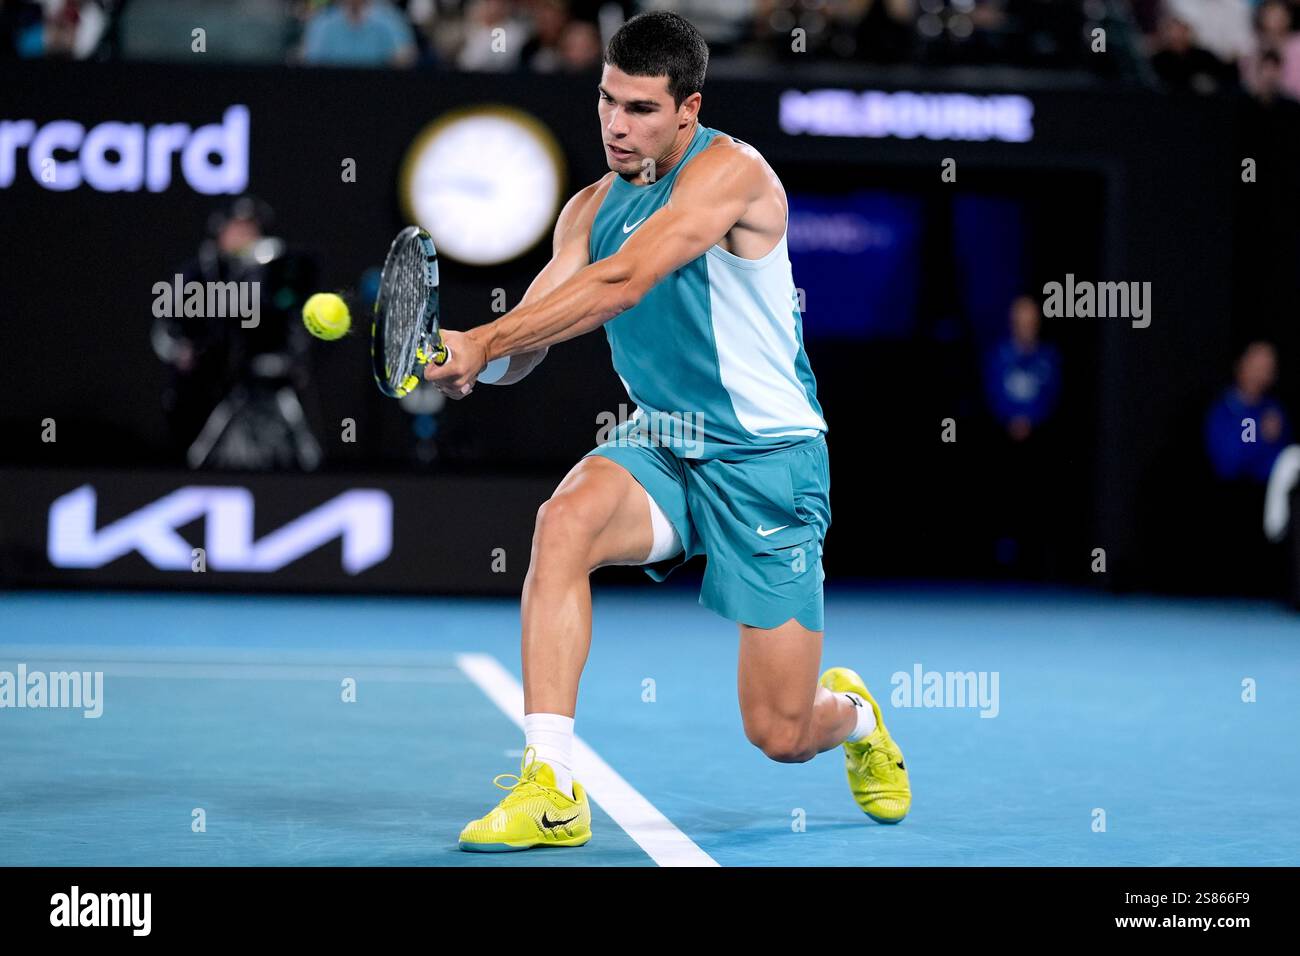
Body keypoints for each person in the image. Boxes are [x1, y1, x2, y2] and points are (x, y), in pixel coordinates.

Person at [424, 10, 911, 852]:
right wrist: (470, 361)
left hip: (768, 462)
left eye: (641, 108)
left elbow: (625, 281)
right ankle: (551, 786)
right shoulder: (585, 210)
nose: (617, 123)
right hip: (666, 442)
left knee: (781, 732)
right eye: (608, 100)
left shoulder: (733, 174)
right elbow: (536, 330)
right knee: (563, 521)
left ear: (688, 110)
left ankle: (857, 715)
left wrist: (487, 340)